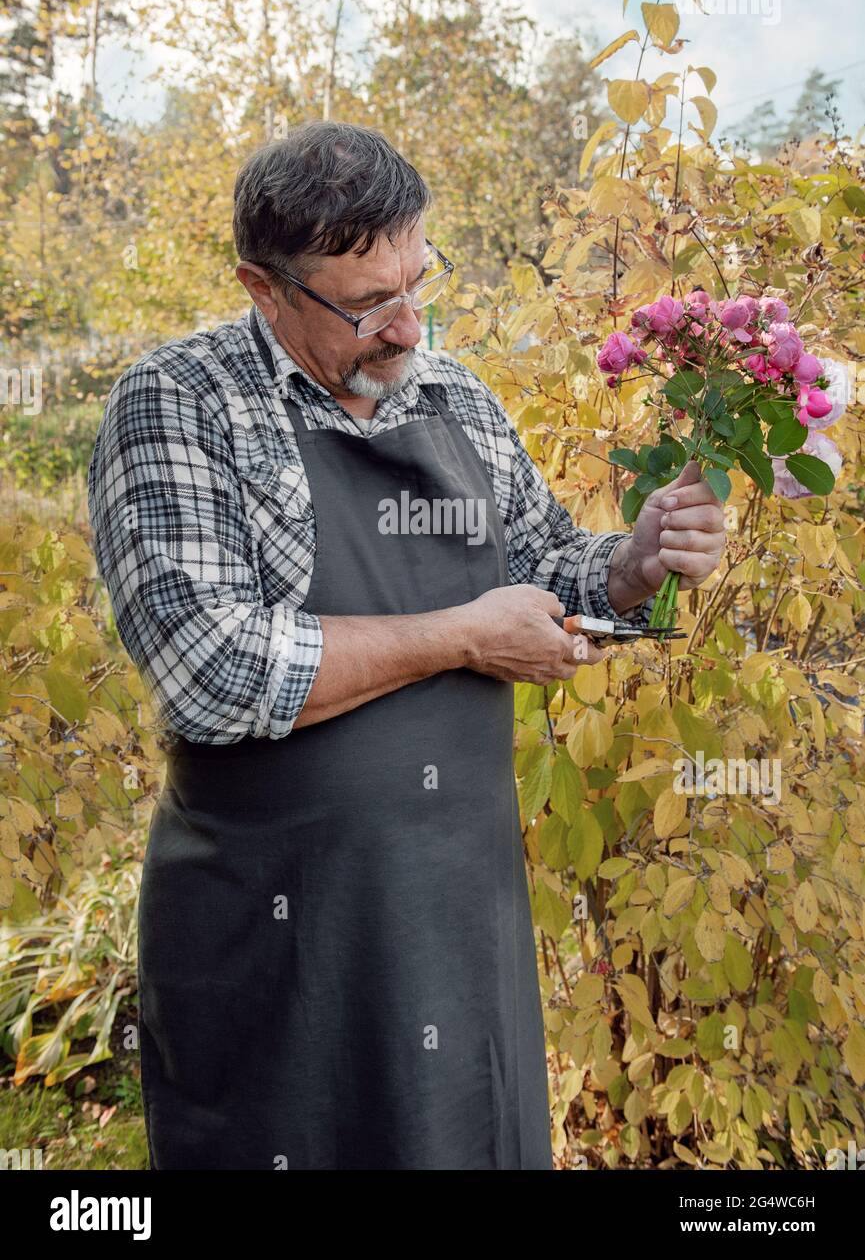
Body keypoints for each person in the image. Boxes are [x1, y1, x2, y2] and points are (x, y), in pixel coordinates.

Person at [87, 120, 726, 1171]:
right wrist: (459, 636)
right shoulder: (180, 403)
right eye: (366, 303)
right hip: (281, 937)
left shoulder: (456, 397)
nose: (404, 325)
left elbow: (550, 564)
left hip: (456, 916)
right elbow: (212, 671)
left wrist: (636, 562)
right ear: (263, 286)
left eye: (418, 280)